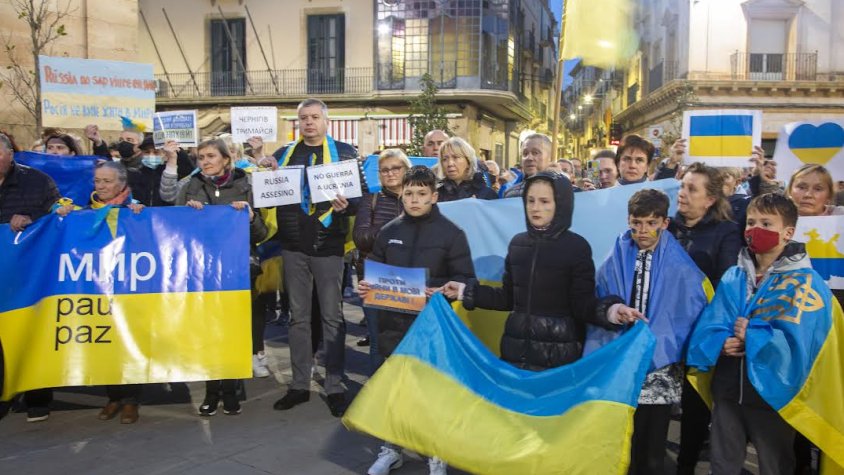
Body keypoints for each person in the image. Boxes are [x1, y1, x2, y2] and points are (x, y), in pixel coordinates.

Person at [685, 193, 837, 475]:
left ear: (788, 232)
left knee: (774, 465)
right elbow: (711, 322)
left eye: (767, 223)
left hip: (773, 395)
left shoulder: (806, 283)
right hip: (728, 390)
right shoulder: (734, 275)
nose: (755, 229)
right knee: (722, 464)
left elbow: (803, 343)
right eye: (751, 222)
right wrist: (720, 343)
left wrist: (752, 335)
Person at [443, 172, 642, 370]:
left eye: (544, 201)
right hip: (515, 353)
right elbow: (507, 298)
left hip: (558, 358)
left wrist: (612, 311)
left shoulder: (576, 247)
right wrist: (463, 291)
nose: (536, 208)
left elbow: (583, 305)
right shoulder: (517, 244)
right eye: (530, 201)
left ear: (560, 204)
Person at [358, 165, 475, 475]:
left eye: (422, 194)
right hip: (392, 325)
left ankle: (435, 451)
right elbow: (375, 268)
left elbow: (466, 278)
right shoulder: (388, 231)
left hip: (432, 326)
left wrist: (448, 290)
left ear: (434, 196)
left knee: (432, 392)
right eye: (408, 193)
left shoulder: (452, 234)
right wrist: (366, 284)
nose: (414, 199)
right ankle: (391, 448)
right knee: (395, 389)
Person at [584, 189, 709, 475]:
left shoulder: (680, 264)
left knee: (652, 447)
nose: (643, 231)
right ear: (628, 220)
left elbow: (687, 308)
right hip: (624, 362)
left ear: (665, 223)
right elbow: (601, 293)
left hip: (660, 368)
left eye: (651, 223)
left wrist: (661, 345)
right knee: (622, 439)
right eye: (637, 223)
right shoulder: (617, 253)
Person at [267, 98, 362, 418]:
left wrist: (346, 206)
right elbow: (269, 195)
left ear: (326, 121)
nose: (309, 122)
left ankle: (334, 385)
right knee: (298, 318)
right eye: (304, 118)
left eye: (314, 117)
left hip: (330, 246)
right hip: (293, 246)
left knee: (333, 318)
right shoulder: (283, 155)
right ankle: (299, 384)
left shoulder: (346, 153)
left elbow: (359, 201)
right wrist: (265, 174)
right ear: (298, 122)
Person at [176, 138, 268, 416]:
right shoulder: (190, 187)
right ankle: (211, 390)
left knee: (233, 332)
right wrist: (187, 215)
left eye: (210, 156)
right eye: (201, 157)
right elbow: (176, 229)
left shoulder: (247, 185)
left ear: (226, 159)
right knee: (208, 332)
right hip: (202, 271)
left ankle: (230, 389)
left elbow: (261, 234)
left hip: (236, 270)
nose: (204, 161)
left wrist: (250, 218)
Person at [54, 161, 145, 423]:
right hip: (96, 286)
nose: (101, 186)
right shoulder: (82, 209)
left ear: (121, 183)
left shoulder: (134, 207)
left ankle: (130, 400)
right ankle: (113, 397)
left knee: (126, 341)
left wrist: (140, 215)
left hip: (128, 286)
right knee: (103, 340)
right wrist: (60, 213)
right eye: (97, 181)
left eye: (106, 181)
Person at [670, 162, 743, 474]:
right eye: (682, 186)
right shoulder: (666, 226)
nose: (682, 194)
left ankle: (685, 466)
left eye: (691, 189)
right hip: (664, 331)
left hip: (700, 335)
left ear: (710, 199)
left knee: (694, 410)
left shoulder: (725, 232)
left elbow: (726, 284)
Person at [0, 133, 60, 422]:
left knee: (33, 328)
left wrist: (30, 218)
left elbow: (59, 214)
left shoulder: (37, 181)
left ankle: (38, 397)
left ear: (11, 154)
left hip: (30, 269)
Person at [352, 149, 410, 372]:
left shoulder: (419, 197)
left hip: (410, 278)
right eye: (384, 170)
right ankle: (376, 395)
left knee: (407, 343)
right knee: (378, 343)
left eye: (396, 168)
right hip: (376, 277)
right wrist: (397, 225)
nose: (390, 173)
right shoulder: (371, 199)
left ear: (407, 170)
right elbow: (360, 238)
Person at [436, 137, 497, 202]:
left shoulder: (485, 194)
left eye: (456, 157)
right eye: (445, 159)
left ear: (468, 161)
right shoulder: (436, 194)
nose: (450, 163)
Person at [504, 133, 553, 198]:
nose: (529, 158)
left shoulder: (562, 192)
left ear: (549, 157)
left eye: (535, 153)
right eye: (525, 153)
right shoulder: (511, 194)